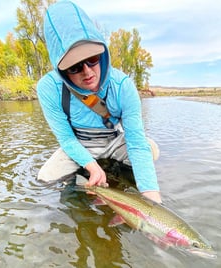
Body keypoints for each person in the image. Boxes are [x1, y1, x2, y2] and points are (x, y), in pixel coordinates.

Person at [37, 0, 162, 203]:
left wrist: (151, 196)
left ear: (101, 52)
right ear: (61, 69)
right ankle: (86, 180)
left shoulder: (122, 85)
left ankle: (116, 177)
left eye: (92, 58)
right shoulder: (48, 88)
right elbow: (67, 140)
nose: (87, 72)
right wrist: (90, 165)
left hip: (113, 141)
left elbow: (136, 142)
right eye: (74, 67)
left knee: (150, 150)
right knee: (45, 180)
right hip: (79, 143)